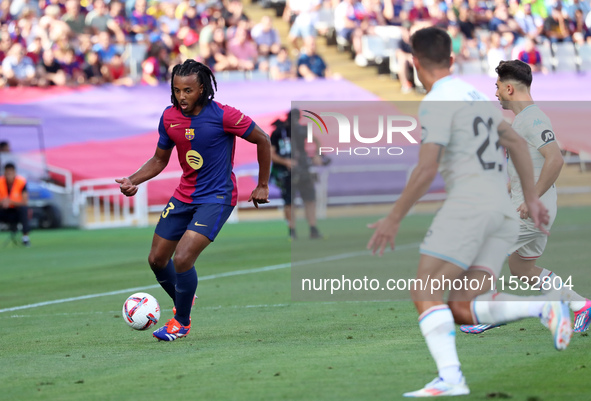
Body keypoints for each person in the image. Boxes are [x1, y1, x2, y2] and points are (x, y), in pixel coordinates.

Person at [367, 27, 571, 397]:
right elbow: (515, 146)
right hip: (498, 207)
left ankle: (455, 375)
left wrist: (394, 217)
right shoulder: (474, 95)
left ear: (414, 63)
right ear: (451, 60)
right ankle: (538, 313)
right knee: (464, 305)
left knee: (425, 289)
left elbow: (427, 169)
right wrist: (532, 196)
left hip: (471, 204)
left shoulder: (438, 101)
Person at [116, 59, 271, 342]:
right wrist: (133, 180)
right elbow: (160, 159)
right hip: (184, 195)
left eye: (188, 90)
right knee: (157, 259)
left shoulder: (225, 115)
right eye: (177, 90)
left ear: (202, 88)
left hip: (217, 197)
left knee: (184, 258)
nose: (181, 96)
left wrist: (262, 184)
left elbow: (263, 139)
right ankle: (184, 297)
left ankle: (181, 322)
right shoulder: (169, 117)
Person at [460, 60, 590, 334]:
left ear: (509, 88)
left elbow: (555, 159)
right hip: (532, 207)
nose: (495, 93)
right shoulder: (522, 120)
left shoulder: (533, 119)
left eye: (496, 87)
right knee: (521, 267)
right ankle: (581, 306)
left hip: (533, 209)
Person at [270, 109, 323, 240]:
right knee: (289, 202)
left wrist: (316, 155)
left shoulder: (302, 130)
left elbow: (316, 140)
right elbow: (270, 153)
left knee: (310, 199)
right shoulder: (278, 133)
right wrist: (285, 161)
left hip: (303, 169)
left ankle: (313, 228)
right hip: (286, 172)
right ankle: (292, 230)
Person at [0, 163, 30, 246]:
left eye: (11, 172)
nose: (9, 175)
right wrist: (3, 202)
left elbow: (25, 202)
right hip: (4, 210)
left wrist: (11, 202)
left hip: (16, 211)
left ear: (14, 172)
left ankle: (25, 238)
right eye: (7, 173)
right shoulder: (0, 182)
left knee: (24, 209)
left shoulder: (21, 182)